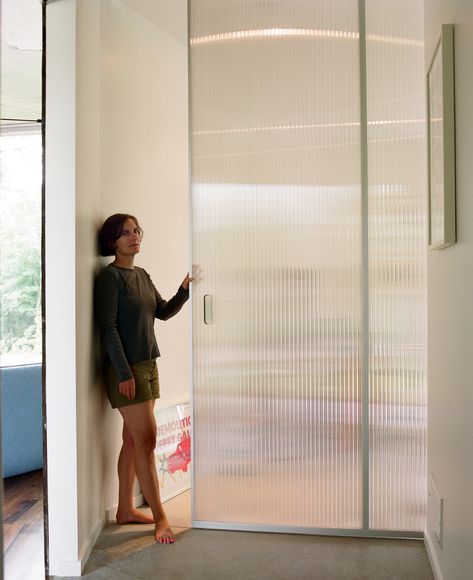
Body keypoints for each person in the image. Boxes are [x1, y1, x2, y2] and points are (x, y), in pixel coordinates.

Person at [94, 213, 191, 544]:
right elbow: (108, 328)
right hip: (128, 369)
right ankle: (161, 519)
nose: (134, 237)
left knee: (134, 441)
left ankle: (124, 509)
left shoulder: (141, 274)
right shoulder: (110, 278)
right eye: (125, 233)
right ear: (112, 242)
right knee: (147, 442)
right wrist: (123, 373)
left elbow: (161, 311)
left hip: (149, 363)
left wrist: (184, 290)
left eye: (136, 231)